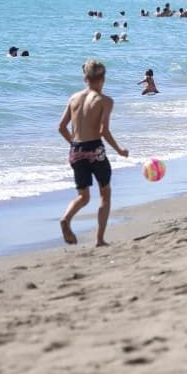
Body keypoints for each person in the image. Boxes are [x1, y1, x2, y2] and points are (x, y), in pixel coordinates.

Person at [57, 59, 130, 247]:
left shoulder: (73, 98)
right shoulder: (104, 101)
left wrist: (74, 146)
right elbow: (104, 131)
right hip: (95, 150)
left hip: (76, 150)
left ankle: (66, 218)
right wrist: (119, 150)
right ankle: (99, 239)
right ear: (102, 79)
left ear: (85, 78)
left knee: (83, 196)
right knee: (105, 193)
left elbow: (61, 127)